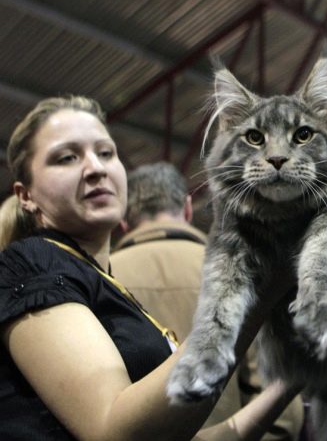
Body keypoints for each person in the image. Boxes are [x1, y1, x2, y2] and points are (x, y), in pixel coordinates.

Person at [0, 95, 300, 440]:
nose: (96, 168)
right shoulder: (32, 264)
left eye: (106, 153)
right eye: (67, 157)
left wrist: (292, 379)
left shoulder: (105, 283)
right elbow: (112, 429)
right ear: (26, 195)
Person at [110, 161, 304, 438]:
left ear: (123, 222)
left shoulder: (102, 280)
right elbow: (283, 409)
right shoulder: (246, 272)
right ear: (188, 208)